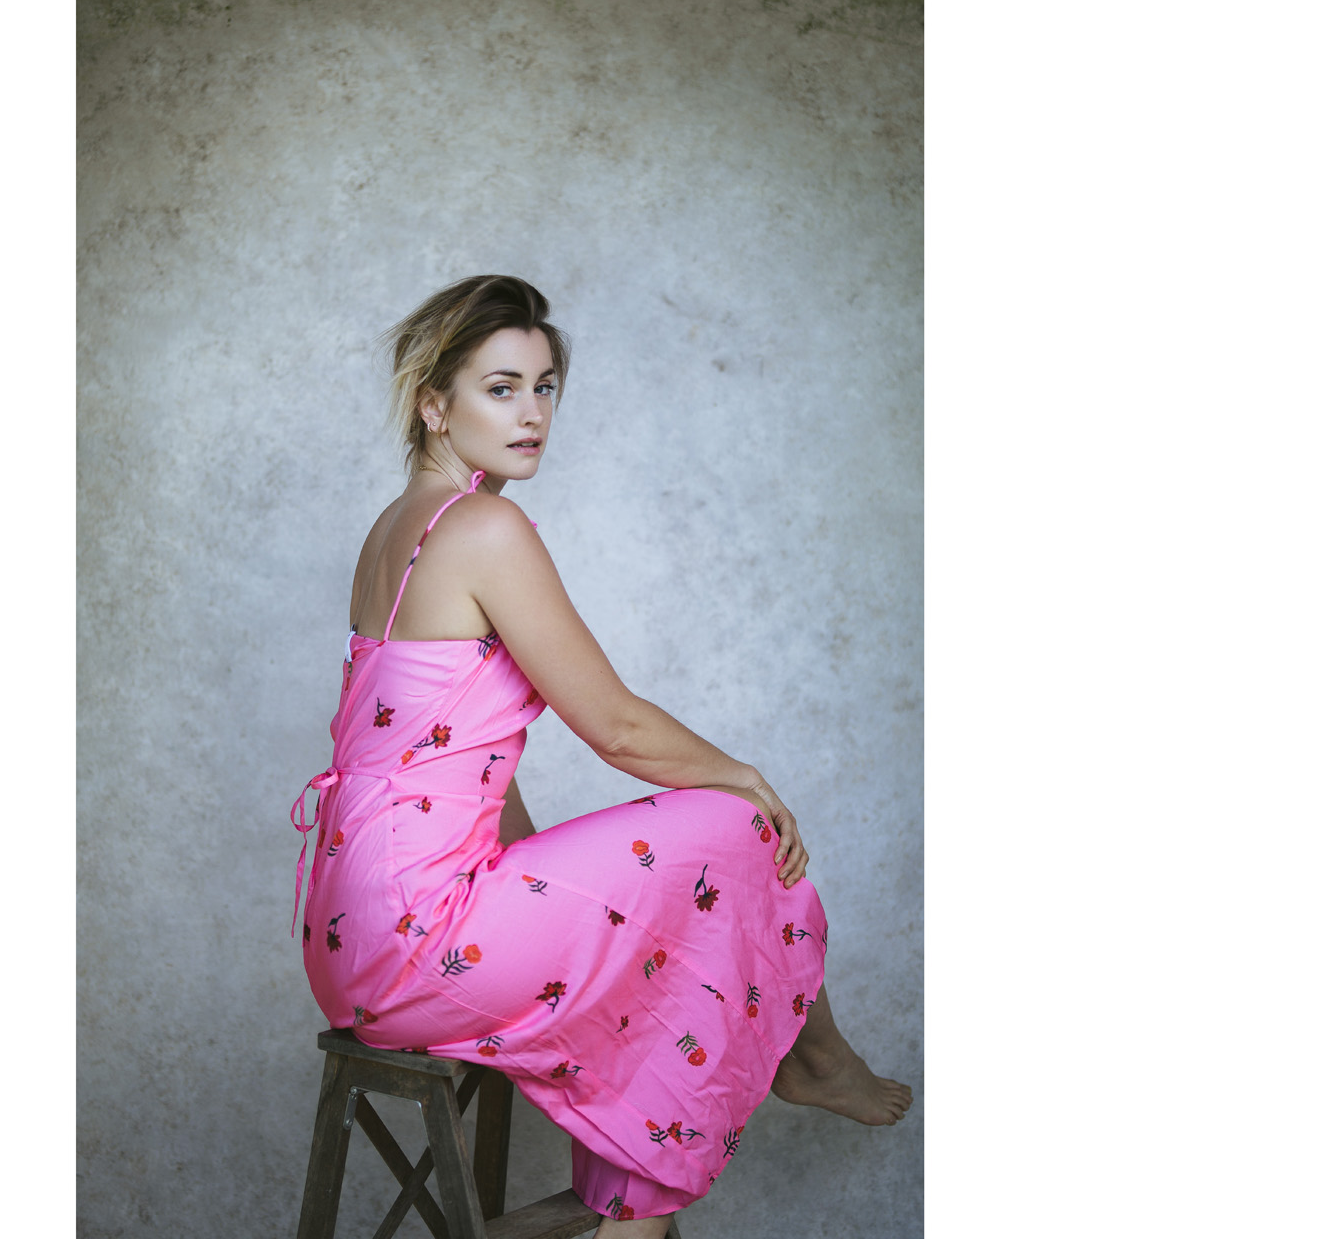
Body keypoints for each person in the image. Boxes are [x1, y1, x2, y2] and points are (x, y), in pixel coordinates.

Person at [291, 275, 911, 1237]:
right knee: (736, 828)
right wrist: (747, 777)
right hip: (424, 939)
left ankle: (631, 1208)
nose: (533, 412)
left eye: (545, 387)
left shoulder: (394, 533)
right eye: (501, 388)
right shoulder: (483, 528)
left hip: (351, 940)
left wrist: (572, 892)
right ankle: (804, 1065)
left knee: (649, 917)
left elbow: (453, 766)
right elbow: (614, 725)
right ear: (433, 403)